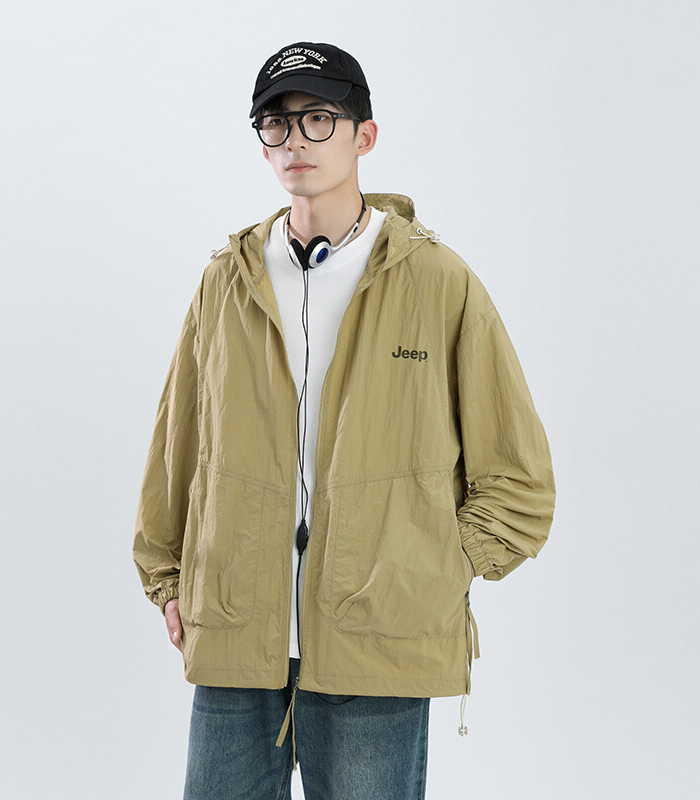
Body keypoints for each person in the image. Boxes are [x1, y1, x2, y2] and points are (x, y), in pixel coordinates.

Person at [133, 41, 555, 800]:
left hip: (380, 639)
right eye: (276, 121)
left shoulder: (438, 281)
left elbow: (519, 480)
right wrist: (167, 577)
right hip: (235, 631)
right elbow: (178, 448)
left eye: (319, 118)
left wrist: (428, 570)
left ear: (366, 135)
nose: (295, 138)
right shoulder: (227, 282)